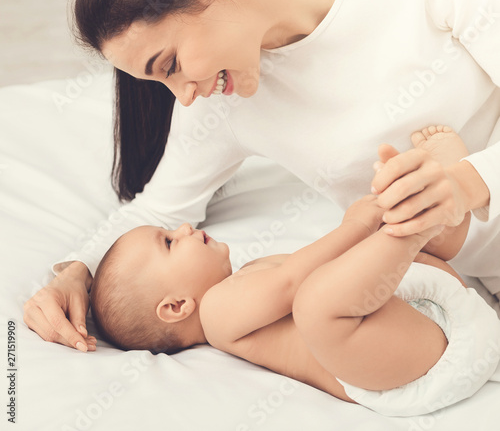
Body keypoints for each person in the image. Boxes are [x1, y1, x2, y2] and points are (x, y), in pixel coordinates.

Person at [23, 0, 500, 353]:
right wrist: (77, 274)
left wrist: (465, 183)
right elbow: (158, 211)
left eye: (170, 65)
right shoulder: (224, 101)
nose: (184, 97)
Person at [89, 126, 500, 417]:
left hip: (421, 314)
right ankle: (419, 218)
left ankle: (430, 204)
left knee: (350, 275)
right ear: (176, 305)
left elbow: (334, 276)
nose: (184, 228)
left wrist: (368, 227)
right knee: (314, 304)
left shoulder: (247, 273)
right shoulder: (216, 314)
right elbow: (291, 285)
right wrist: (357, 225)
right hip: (404, 368)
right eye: (168, 242)